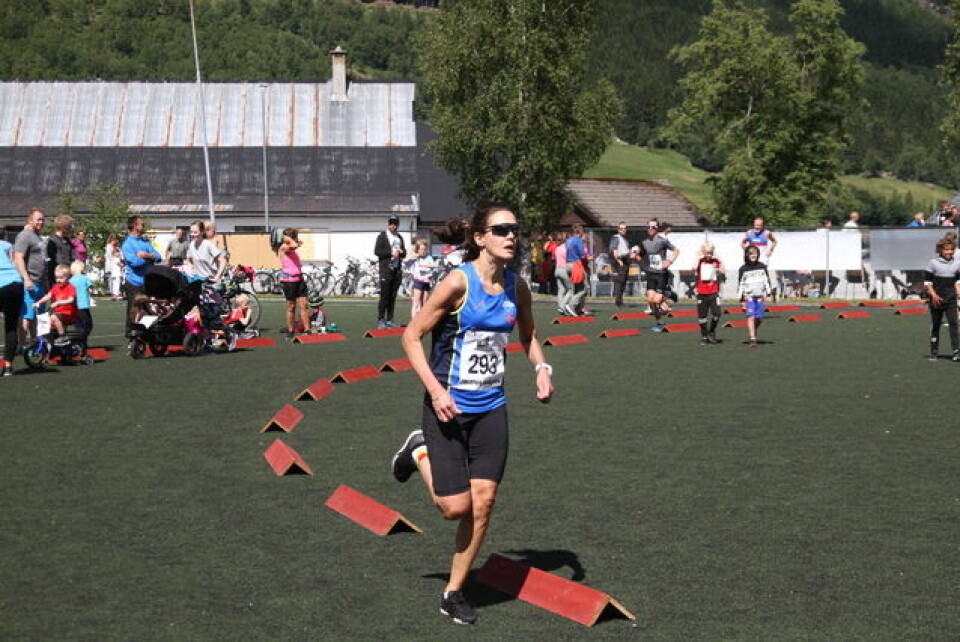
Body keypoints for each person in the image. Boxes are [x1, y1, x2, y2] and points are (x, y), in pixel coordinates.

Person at [391, 204, 554, 626]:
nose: (510, 236)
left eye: (515, 229)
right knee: (454, 508)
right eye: (501, 229)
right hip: (447, 408)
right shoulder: (457, 283)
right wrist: (435, 390)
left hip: (491, 409)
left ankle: (454, 591)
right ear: (480, 237)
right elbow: (411, 337)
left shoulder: (516, 286)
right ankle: (419, 451)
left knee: (483, 504)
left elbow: (529, 332)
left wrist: (541, 367)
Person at [121, 215, 161, 337]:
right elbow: (134, 263)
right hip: (133, 282)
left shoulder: (145, 242)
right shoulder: (127, 244)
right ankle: (131, 333)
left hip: (147, 281)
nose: (143, 226)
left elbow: (159, 257)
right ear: (134, 226)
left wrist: (146, 255)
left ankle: (145, 331)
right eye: (141, 224)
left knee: (147, 308)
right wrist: (148, 258)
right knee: (134, 308)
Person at [13, 208, 49, 343]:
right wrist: (26, 279)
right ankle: (22, 345)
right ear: (30, 220)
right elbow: (18, 258)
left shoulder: (36, 235)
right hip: (30, 283)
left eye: (43, 219)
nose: (41, 222)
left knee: (39, 316)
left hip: (40, 283)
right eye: (38, 219)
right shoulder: (25, 235)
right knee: (26, 316)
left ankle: (36, 344)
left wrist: (45, 281)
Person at [923, 237, 960, 361]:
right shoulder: (933, 263)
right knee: (936, 325)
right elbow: (927, 282)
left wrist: (958, 293)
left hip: (951, 299)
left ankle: (956, 352)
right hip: (936, 300)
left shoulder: (957, 263)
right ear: (940, 250)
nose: (949, 252)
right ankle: (934, 352)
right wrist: (933, 295)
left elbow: (957, 281)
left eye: (951, 250)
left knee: (954, 324)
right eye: (947, 250)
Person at [639, 219, 679, 331]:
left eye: (653, 227)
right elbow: (640, 255)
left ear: (657, 229)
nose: (651, 229)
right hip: (651, 273)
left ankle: (669, 293)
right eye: (649, 227)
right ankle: (659, 322)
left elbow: (676, 250)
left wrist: (669, 261)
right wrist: (635, 254)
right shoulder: (644, 242)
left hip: (661, 274)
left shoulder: (662, 241)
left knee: (657, 300)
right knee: (650, 301)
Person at [33, 264, 77, 346]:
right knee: (46, 323)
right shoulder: (56, 287)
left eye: (61, 278)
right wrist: (38, 302)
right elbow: (48, 296)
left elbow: (71, 300)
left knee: (53, 316)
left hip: (68, 314)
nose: (58, 280)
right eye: (57, 278)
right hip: (59, 313)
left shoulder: (71, 287)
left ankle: (62, 336)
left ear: (68, 278)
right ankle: (50, 343)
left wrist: (58, 303)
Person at [374, 215, 406, 328]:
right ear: (388, 224)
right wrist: (390, 253)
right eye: (392, 223)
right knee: (384, 295)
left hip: (396, 270)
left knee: (392, 296)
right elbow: (377, 251)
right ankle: (381, 319)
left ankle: (390, 319)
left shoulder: (399, 237)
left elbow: (404, 253)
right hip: (386, 269)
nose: (394, 226)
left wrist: (401, 252)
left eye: (396, 223)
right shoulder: (382, 236)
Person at [277, 228, 310, 336]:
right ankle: (291, 330)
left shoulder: (292, 248)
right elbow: (294, 245)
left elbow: (296, 245)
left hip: (299, 279)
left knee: (304, 305)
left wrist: (295, 240)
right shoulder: (283, 247)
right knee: (292, 306)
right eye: (295, 237)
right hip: (289, 281)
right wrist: (290, 238)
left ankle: (307, 330)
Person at [738, 245, 773, 347]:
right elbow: (740, 284)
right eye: (751, 254)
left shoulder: (762, 267)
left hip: (760, 297)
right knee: (751, 317)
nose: (753, 255)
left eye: (755, 253)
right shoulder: (743, 269)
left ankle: (753, 330)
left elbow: (767, 281)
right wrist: (741, 300)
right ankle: (752, 338)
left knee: (759, 318)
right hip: (748, 297)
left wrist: (769, 294)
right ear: (747, 255)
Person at [0, 236, 24, 377]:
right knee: (11, 326)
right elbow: (15, 262)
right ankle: (8, 367)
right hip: (15, 283)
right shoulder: (7, 244)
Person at [695, 241, 725, 345]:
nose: (709, 255)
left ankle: (711, 331)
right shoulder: (700, 261)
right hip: (702, 292)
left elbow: (723, 270)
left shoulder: (715, 261)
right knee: (702, 316)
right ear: (703, 252)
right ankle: (704, 335)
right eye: (707, 253)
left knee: (717, 313)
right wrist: (698, 256)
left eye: (711, 253)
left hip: (713, 292)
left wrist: (718, 259)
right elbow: (693, 267)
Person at [562, 224, 592, 316]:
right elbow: (582, 254)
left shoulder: (568, 240)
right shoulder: (579, 240)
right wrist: (590, 258)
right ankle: (571, 305)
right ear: (580, 231)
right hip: (576, 265)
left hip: (567, 264)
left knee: (576, 288)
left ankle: (577, 309)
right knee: (585, 287)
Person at [409, 239, 436, 321]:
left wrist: (426, 266)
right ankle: (414, 322)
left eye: (424, 249)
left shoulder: (429, 257)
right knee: (416, 302)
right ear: (417, 249)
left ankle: (421, 320)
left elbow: (434, 266)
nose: (423, 251)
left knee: (424, 302)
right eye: (421, 249)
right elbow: (406, 261)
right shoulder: (415, 258)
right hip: (418, 281)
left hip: (426, 282)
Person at [69, 260, 94, 350]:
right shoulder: (85, 278)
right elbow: (91, 288)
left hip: (74, 307)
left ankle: (81, 343)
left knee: (79, 326)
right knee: (88, 325)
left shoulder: (70, 280)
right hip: (83, 306)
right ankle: (80, 342)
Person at [46, 214, 75, 285]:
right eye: (70, 226)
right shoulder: (53, 241)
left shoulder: (67, 240)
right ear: (64, 227)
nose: (71, 228)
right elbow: (57, 261)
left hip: (68, 277)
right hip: (58, 279)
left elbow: (72, 257)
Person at [609, 222, 631, 307]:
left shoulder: (624, 239)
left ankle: (620, 301)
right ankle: (618, 302)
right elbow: (614, 250)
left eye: (625, 228)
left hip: (625, 260)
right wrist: (619, 261)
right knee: (620, 282)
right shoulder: (616, 238)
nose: (624, 230)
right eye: (621, 228)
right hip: (620, 261)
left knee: (623, 281)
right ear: (618, 230)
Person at [552, 230, 570, 314]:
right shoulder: (567, 249)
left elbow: (554, 258)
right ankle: (563, 306)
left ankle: (560, 306)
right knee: (571, 289)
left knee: (561, 290)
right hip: (564, 270)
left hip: (557, 269)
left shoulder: (557, 248)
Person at [103, 234, 123, 300]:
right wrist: (116, 259)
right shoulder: (109, 246)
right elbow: (110, 256)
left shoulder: (117, 247)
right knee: (111, 279)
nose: (116, 241)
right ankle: (113, 294)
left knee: (116, 279)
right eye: (115, 240)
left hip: (116, 266)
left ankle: (116, 293)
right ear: (112, 240)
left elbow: (120, 255)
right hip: (111, 265)